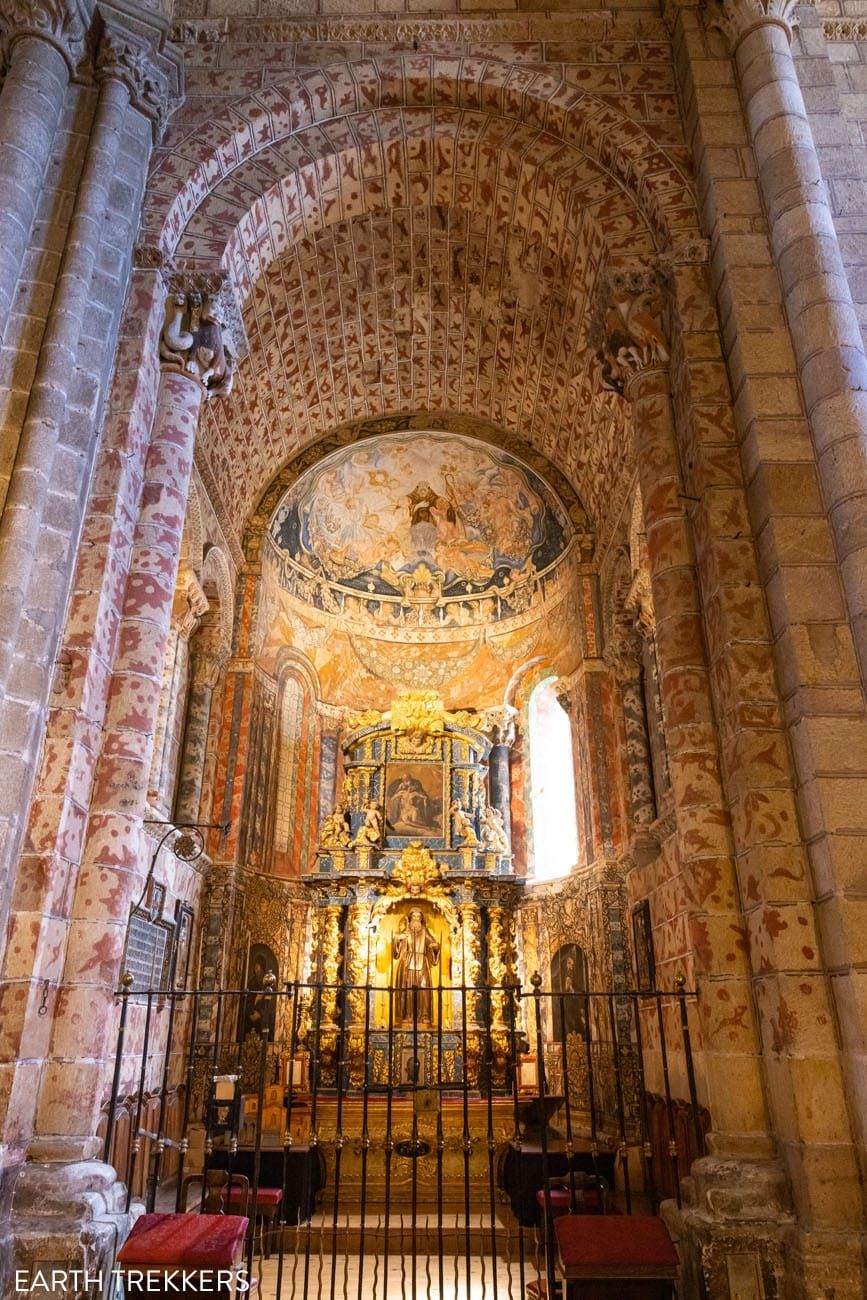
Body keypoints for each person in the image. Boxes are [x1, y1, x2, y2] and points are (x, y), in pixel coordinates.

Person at [392, 909, 440, 1024]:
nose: (416, 919)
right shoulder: (406, 931)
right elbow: (396, 950)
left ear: (421, 919)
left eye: (418, 917)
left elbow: (434, 944)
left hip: (422, 962)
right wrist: (397, 939)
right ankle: (407, 1016)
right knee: (407, 988)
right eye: (414, 916)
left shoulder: (425, 931)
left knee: (423, 988)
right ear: (410, 918)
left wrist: (435, 947)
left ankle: (424, 1016)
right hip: (407, 963)